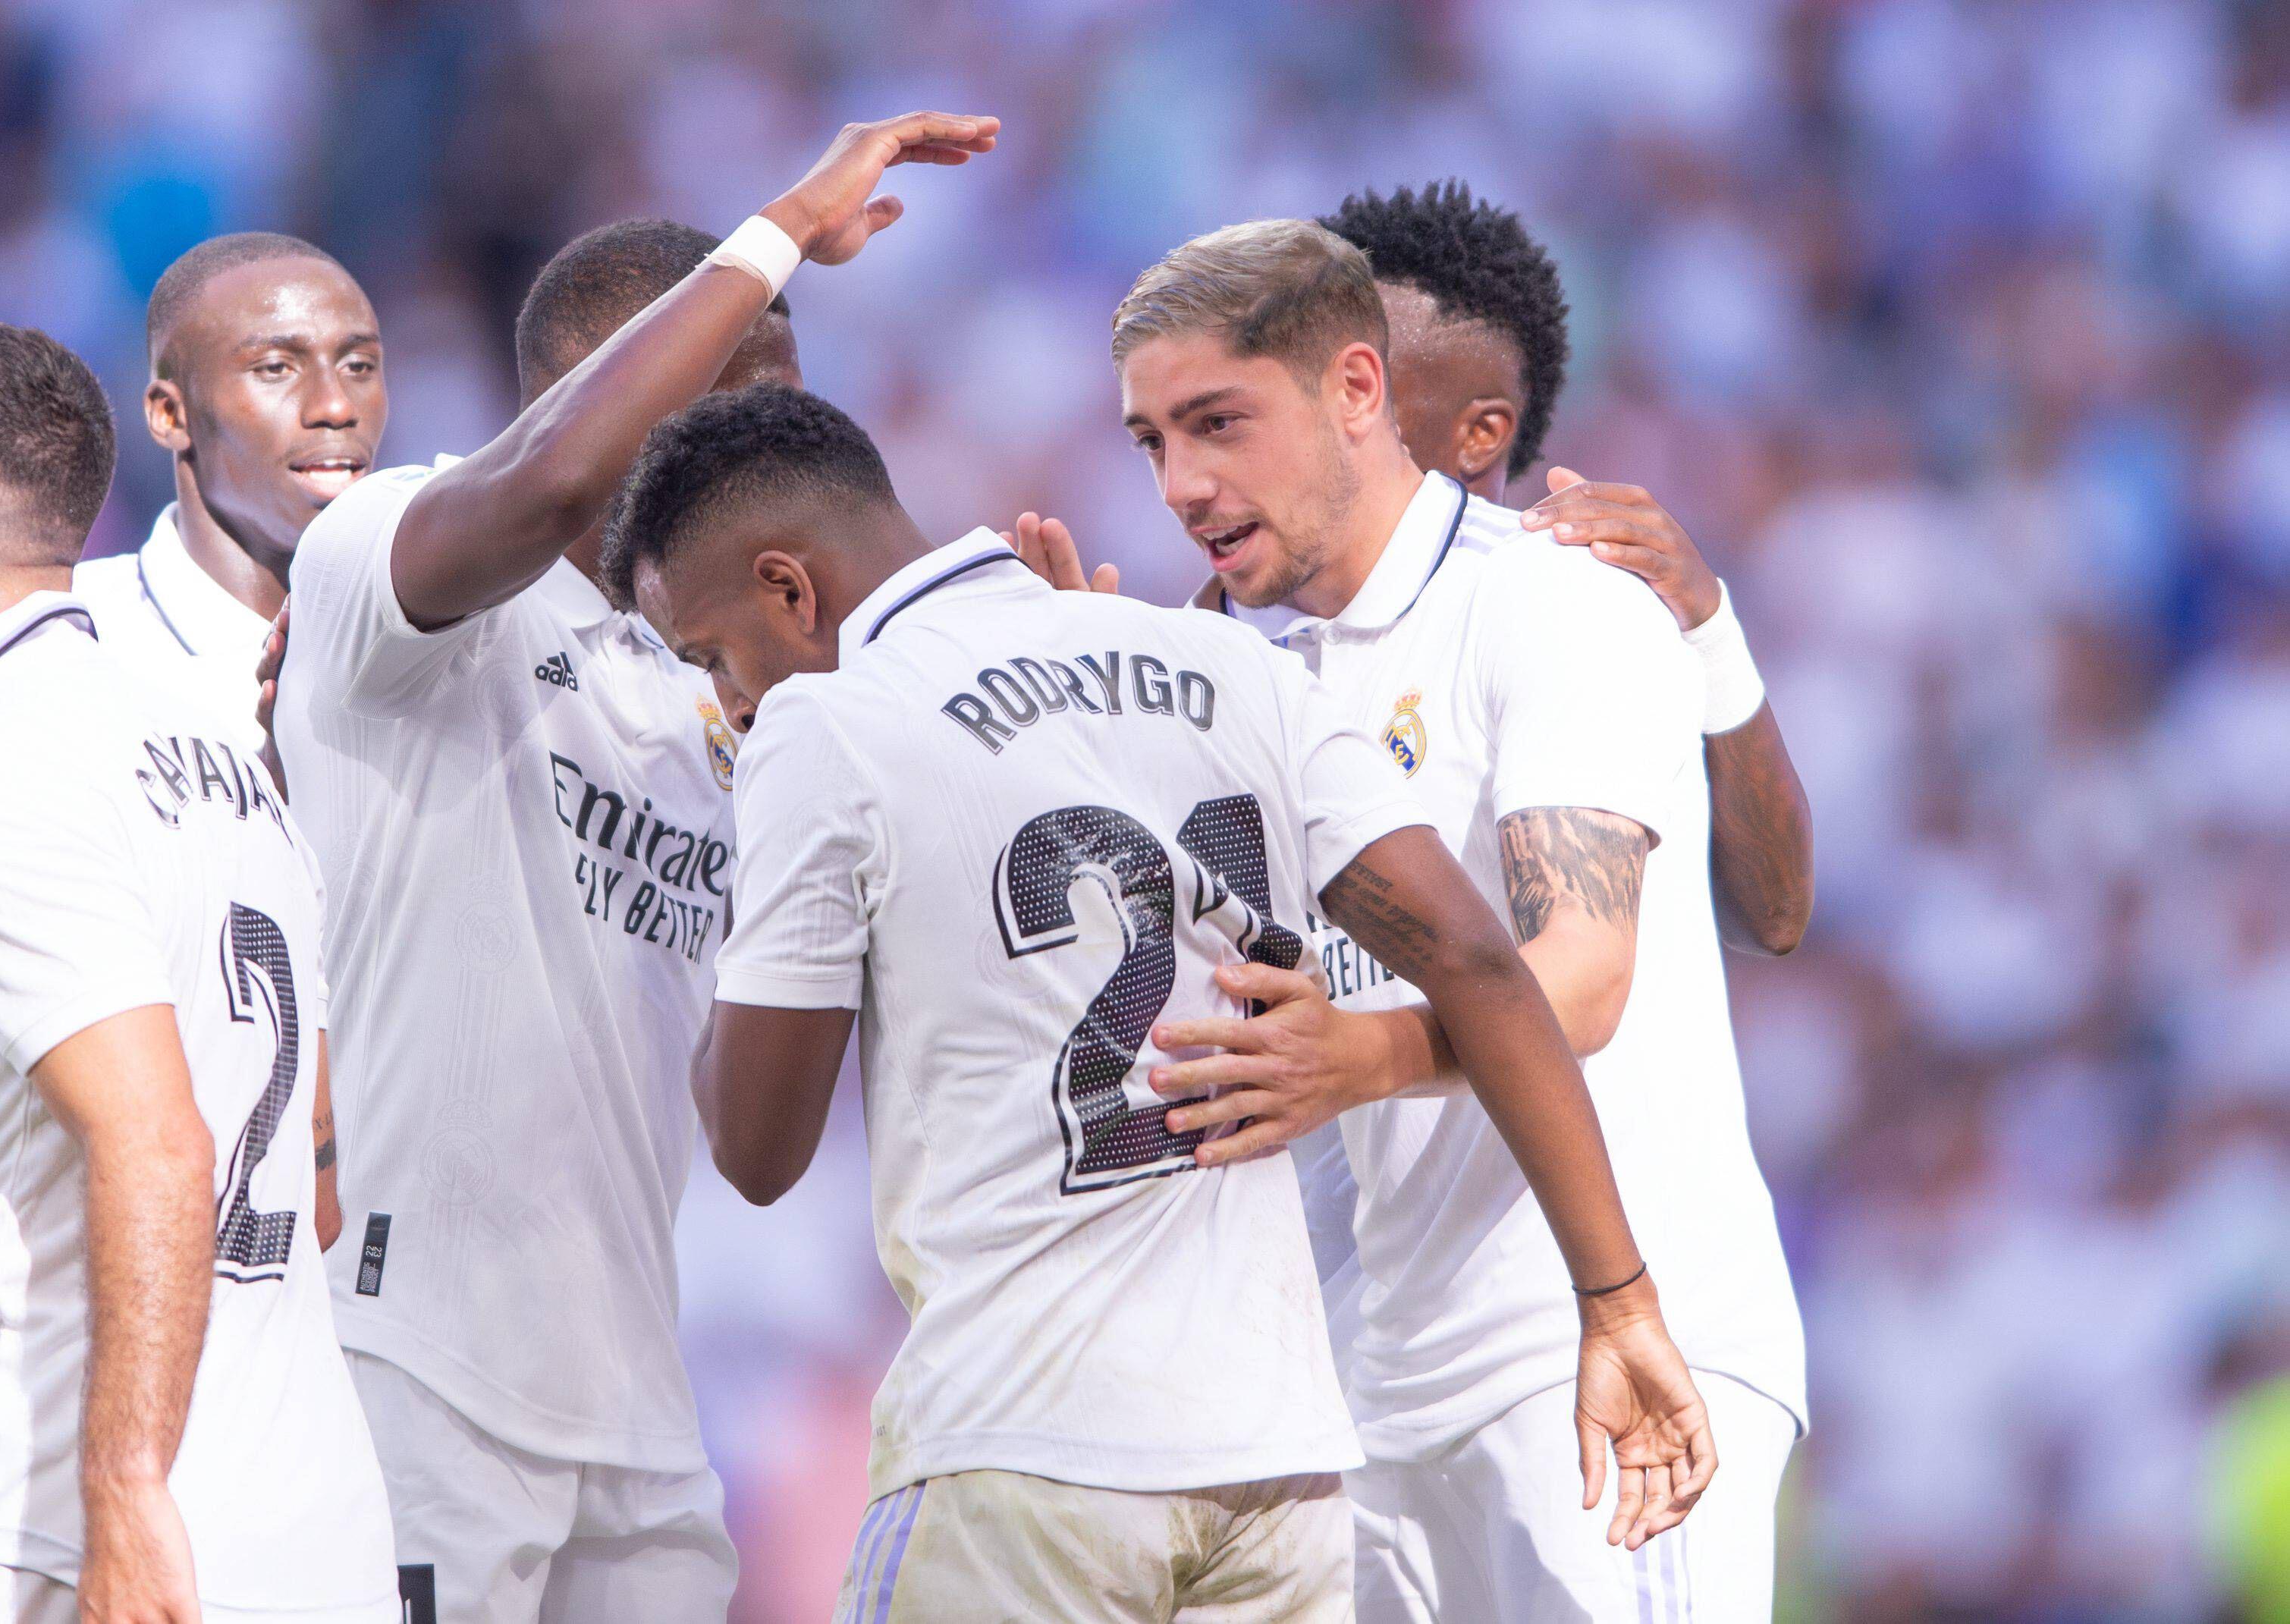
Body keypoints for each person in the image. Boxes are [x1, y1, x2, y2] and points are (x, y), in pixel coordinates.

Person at [608, 382, 1717, 1622]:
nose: (725, 700)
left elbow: (757, 1149)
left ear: (789, 590)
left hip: (1026, 1456)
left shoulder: (825, 725)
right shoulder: (1224, 658)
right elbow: (1479, 959)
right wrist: (1616, 1300)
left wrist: (746, 868)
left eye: (711, 657)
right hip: (1281, 1473)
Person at [270, 114, 997, 1623]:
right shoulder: (386, 562)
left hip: (636, 1405)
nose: (785, 452)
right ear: (615, 388)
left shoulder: (746, 700)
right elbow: (542, 494)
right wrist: (779, 230)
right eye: (747, 401)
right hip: (410, 1365)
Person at [1082, 218, 1806, 1623]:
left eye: (1215, 425)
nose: (1181, 484)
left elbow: (1582, 975)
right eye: (1151, 442)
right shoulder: (1235, 670)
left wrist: (1358, 1058)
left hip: (1610, 1348)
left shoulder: (1554, 601)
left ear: (1358, 393)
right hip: (1369, 1385)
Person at [0, 319, 392, 1624]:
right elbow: (322, 1156)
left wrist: (118, 1493)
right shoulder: (225, 762)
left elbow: (161, 1146)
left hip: (91, 1543)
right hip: (315, 1533)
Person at [1315, 181, 1812, 956]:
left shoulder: (1577, 595)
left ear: (1480, 433)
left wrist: (1710, 632)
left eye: (1359, 386)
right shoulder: (1279, 631)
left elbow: (1773, 913)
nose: (1322, 414)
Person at [77, 229, 387, 1252]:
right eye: (275, 368)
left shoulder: (436, 644)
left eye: (358, 363)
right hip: (175, 1281)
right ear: (170, 413)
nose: (334, 404)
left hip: (409, 1314)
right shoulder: (80, 645)